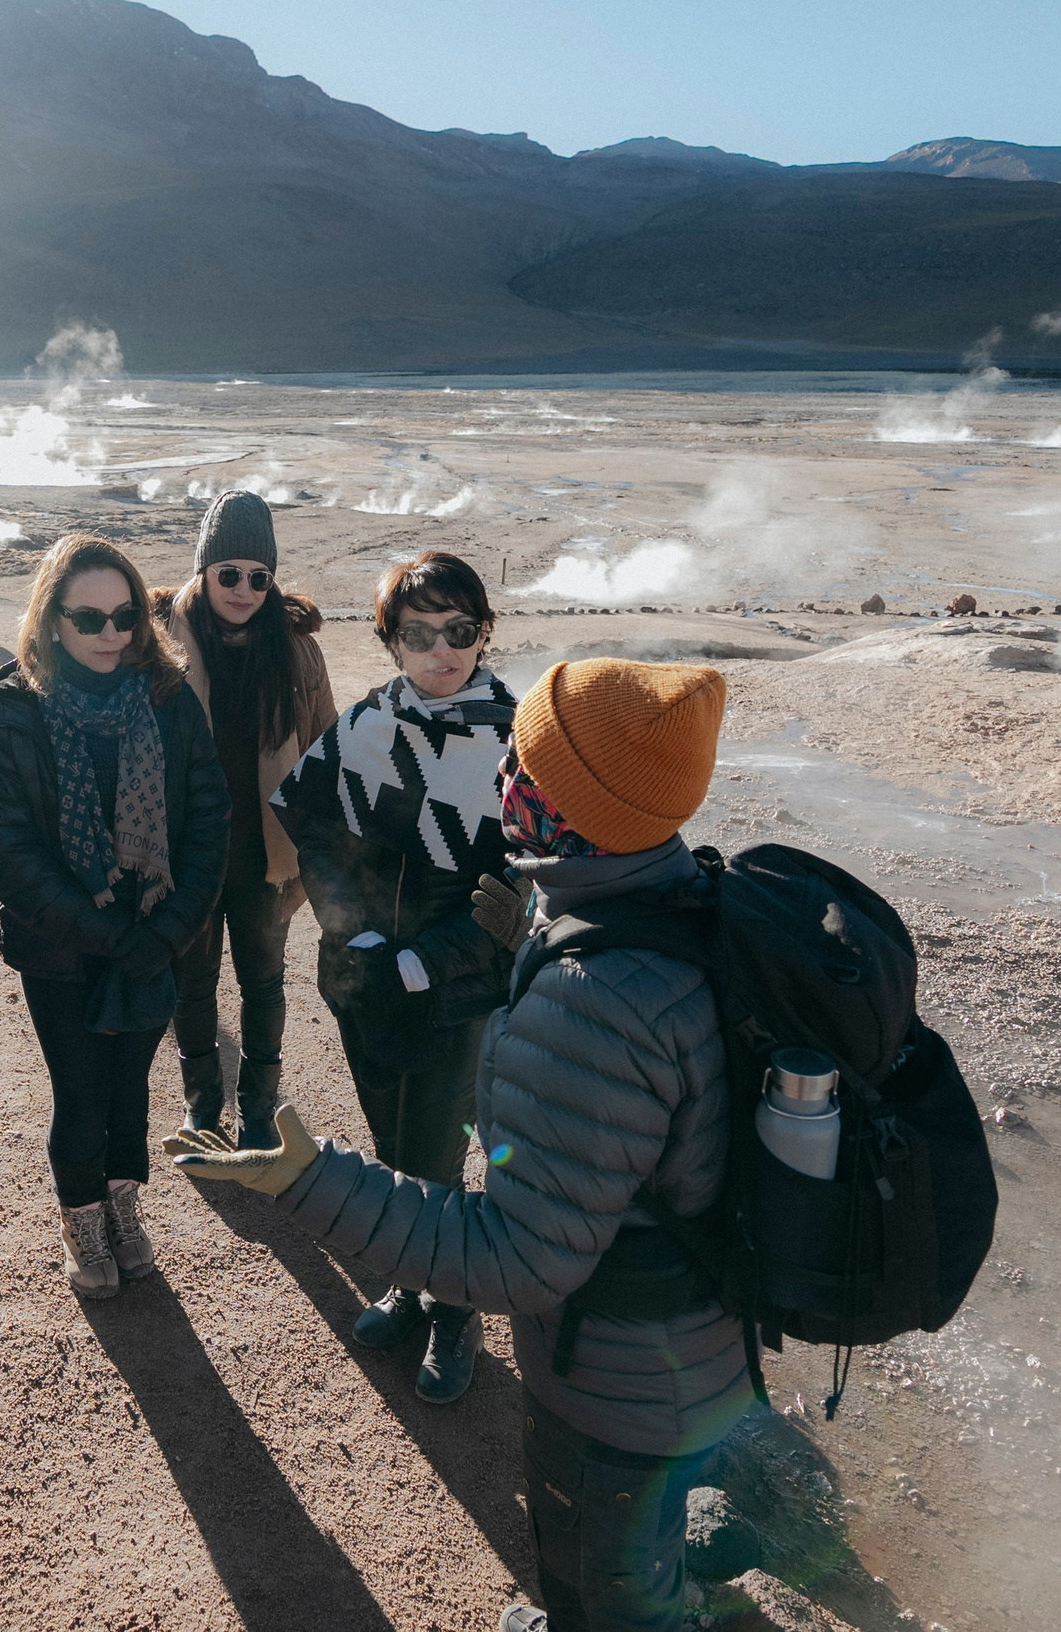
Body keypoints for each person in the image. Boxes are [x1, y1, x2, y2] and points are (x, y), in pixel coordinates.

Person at [174, 657, 750, 1632]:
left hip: (613, 1377)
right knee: (620, 1555)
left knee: (596, 1575)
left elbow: (517, 1255)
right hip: (684, 1341)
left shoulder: (590, 1001)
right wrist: (532, 936)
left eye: (524, 764)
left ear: (573, 801)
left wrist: (312, 1180)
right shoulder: (674, 899)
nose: (501, 780)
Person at [271, 549, 520, 1406]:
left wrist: (424, 960)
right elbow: (310, 828)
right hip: (364, 979)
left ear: (484, 633)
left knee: (437, 1147)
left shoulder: (517, 742)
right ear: (390, 641)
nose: (442, 650)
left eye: (460, 630)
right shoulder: (367, 726)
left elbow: (516, 890)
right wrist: (359, 936)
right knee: (389, 1137)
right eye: (419, 634)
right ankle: (411, 1282)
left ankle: (454, 1309)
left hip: (460, 993)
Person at [0, 534, 229, 1300]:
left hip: (154, 935)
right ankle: (81, 1219)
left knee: (129, 1090)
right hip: (61, 949)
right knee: (81, 1093)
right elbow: (8, 848)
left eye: (125, 616)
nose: (111, 634)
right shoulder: (15, 710)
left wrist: (168, 931)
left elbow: (209, 820)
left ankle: (123, 1206)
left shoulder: (169, 697)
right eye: (89, 619)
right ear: (52, 620)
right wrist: (115, 936)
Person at [156, 491, 337, 1148]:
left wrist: (323, 852)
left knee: (263, 984)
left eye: (259, 578)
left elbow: (325, 752)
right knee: (192, 984)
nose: (243, 590)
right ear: (204, 570)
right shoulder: (162, 643)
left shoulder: (295, 650)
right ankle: (202, 1105)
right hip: (189, 854)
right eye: (229, 573)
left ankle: (259, 1108)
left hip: (267, 855)